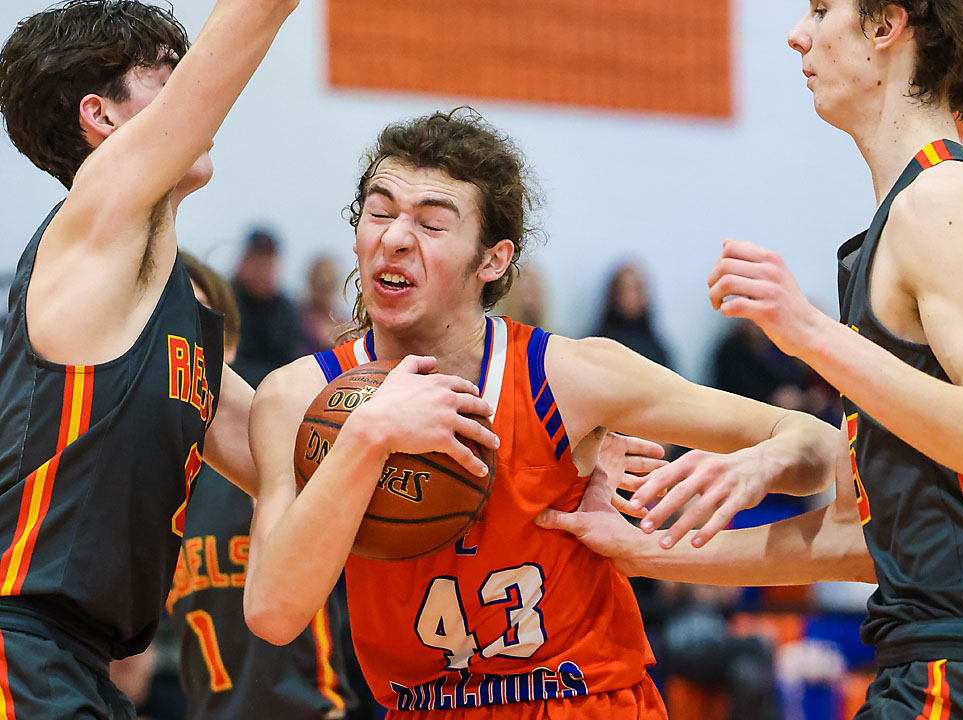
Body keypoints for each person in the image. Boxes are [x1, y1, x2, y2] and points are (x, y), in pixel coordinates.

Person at [540, 1, 963, 718]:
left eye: (824, 9)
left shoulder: (945, 200)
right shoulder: (903, 216)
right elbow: (864, 539)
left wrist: (808, 333)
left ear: (887, 26)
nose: (799, 32)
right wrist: (642, 549)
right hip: (938, 664)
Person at [241, 109, 839, 719]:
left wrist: (761, 462)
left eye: (431, 223)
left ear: (493, 260)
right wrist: (369, 435)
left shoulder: (567, 377)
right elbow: (273, 613)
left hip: (580, 700)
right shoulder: (302, 398)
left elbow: (817, 447)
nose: (395, 237)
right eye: (380, 211)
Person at [0, 0, 297, 716]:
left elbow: (292, 457)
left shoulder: (170, 326)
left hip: (74, 665)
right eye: (171, 79)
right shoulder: (92, 217)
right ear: (101, 118)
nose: (198, 100)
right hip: (19, 646)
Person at [167, 251, 356, 720]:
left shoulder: (273, 438)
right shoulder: (154, 477)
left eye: (183, 319)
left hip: (310, 710)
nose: (168, 339)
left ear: (225, 343)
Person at [231, 229, 303, 385]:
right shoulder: (226, 301)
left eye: (268, 262)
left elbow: (292, 362)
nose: (262, 269)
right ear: (244, 261)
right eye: (257, 261)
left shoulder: (285, 309)